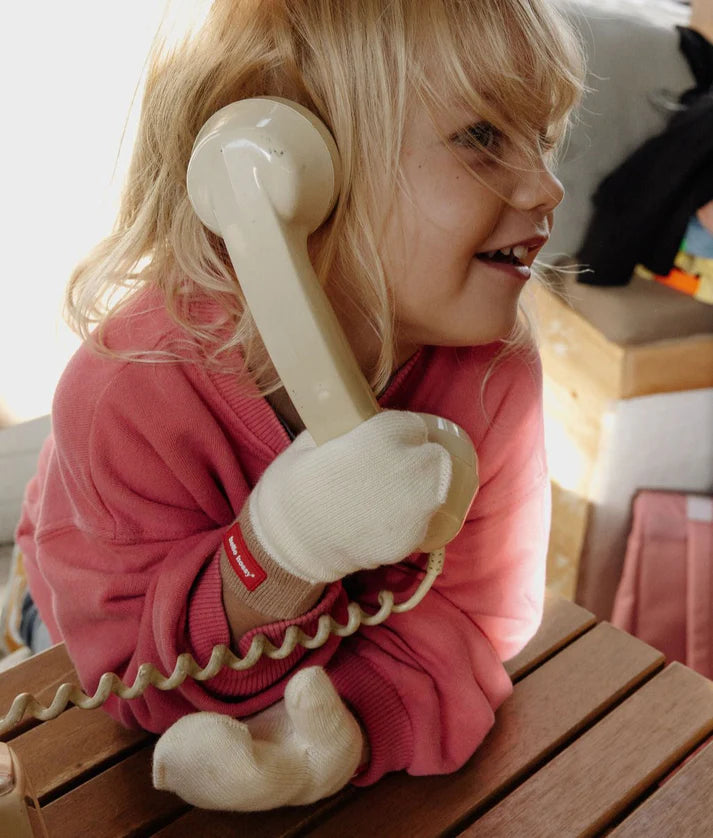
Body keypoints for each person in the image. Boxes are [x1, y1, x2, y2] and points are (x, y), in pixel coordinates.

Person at [11, 0, 583, 812]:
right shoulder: (123, 390)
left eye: (545, 137)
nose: (547, 183)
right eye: (483, 137)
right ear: (280, 170)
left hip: (325, 662)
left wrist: (335, 736)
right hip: (86, 606)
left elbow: (478, 623)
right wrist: (281, 554)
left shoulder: (495, 373)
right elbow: (139, 681)